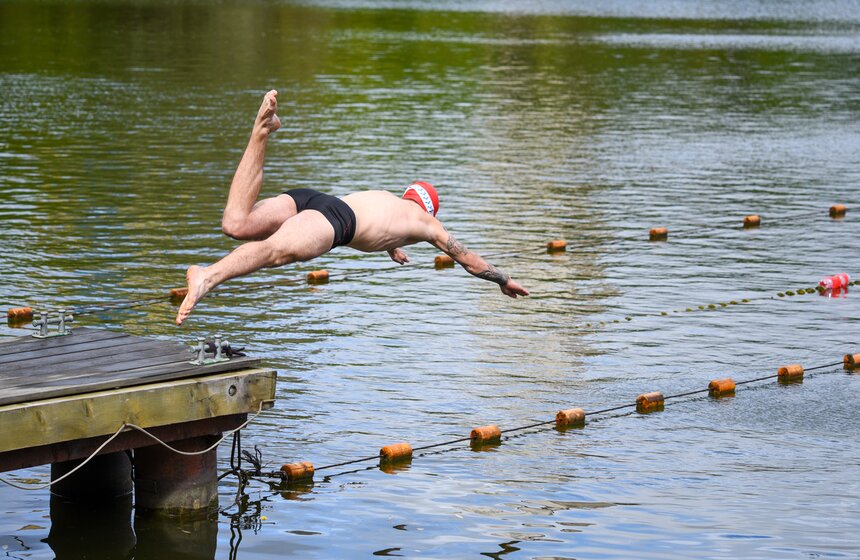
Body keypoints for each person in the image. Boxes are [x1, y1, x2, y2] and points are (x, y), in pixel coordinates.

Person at [175, 90, 529, 325]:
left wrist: (393, 248)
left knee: (236, 222)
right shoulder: (427, 225)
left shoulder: (391, 203)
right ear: (429, 211)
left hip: (313, 199)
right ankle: (207, 277)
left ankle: (262, 133)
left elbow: (386, 227)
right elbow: (467, 259)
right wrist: (503, 279)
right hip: (335, 220)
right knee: (276, 252)